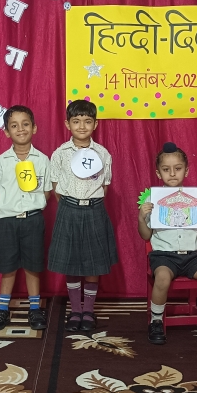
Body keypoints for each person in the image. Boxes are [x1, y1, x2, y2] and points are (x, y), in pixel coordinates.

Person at [138, 142, 197, 345]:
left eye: (178, 168)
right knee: (162, 277)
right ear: (158, 173)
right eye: (166, 169)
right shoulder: (153, 201)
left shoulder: (196, 199)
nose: (172, 173)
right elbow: (146, 236)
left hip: (193, 256)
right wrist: (141, 218)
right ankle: (156, 321)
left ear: (186, 170)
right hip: (164, 256)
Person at [48, 99, 118, 332]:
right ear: (67, 124)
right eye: (76, 121)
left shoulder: (103, 154)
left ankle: (88, 310)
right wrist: (72, 205)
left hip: (94, 210)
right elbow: (56, 186)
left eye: (87, 121)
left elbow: (105, 186)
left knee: (92, 264)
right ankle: (75, 310)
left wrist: (89, 203)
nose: (81, 126)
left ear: (95, 124)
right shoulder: (60, 154)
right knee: (72, 262)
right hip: (69, 209)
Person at [0, 106, 52, 331]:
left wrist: (32, 207)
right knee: (8, 266)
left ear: (34, 128)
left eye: (25, 124)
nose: (20, 129)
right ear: (6, 131)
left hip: (33, 219)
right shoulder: (2, 161)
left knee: (33, 265)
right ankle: (3, 309)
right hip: (7, 221)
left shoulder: (42, 159)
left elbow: (46, 191)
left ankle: (35, 308)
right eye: (14, 126)